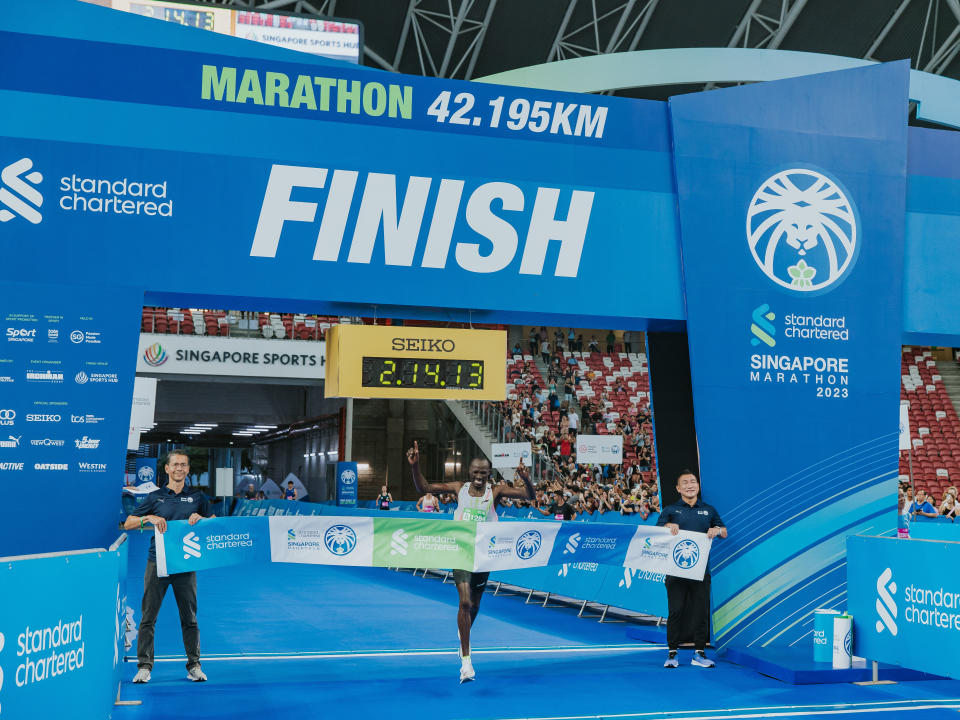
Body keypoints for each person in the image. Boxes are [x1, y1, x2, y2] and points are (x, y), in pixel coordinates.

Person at [407, 441, 534, 683]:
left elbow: (529, 495)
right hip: (461, 551)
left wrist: (526, 479)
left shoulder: (494, 492)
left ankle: (463, 632)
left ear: (489, 474)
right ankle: (466, 663)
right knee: (464, 603)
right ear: (469, 472)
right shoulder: (458, 488)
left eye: (483, 473)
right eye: (475, 472)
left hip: (484, 554)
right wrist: (415, 466)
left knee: (474, 606)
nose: (479, 477)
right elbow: (423, 486)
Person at [123, 450, 215, 684]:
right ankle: (144, 666)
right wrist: (149, 519)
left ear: (187, 469)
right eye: (175, 465)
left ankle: (194, 665)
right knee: (148, 618)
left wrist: (202, 520)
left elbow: (214, 523)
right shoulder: (154, 497)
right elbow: (129, 523)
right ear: (166, 469)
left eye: (183, 465)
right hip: (157, 563)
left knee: (190, 618)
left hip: (186, 564)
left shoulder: (197, 497)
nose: (179, 469)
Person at [657, 470, 727, 669]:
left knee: (701, 611)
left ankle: (699, 653)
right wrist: (668, 526)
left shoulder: (709, 510)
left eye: (693, 481)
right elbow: (657, 531)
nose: (690, 485)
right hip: (675, 571)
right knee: (676, 611)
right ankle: (672, 654)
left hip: (701, 571)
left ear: (698, 486)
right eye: (685, 482)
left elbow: (724, 531)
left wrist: (716, 530)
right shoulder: (670, 510)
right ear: (678, 488)